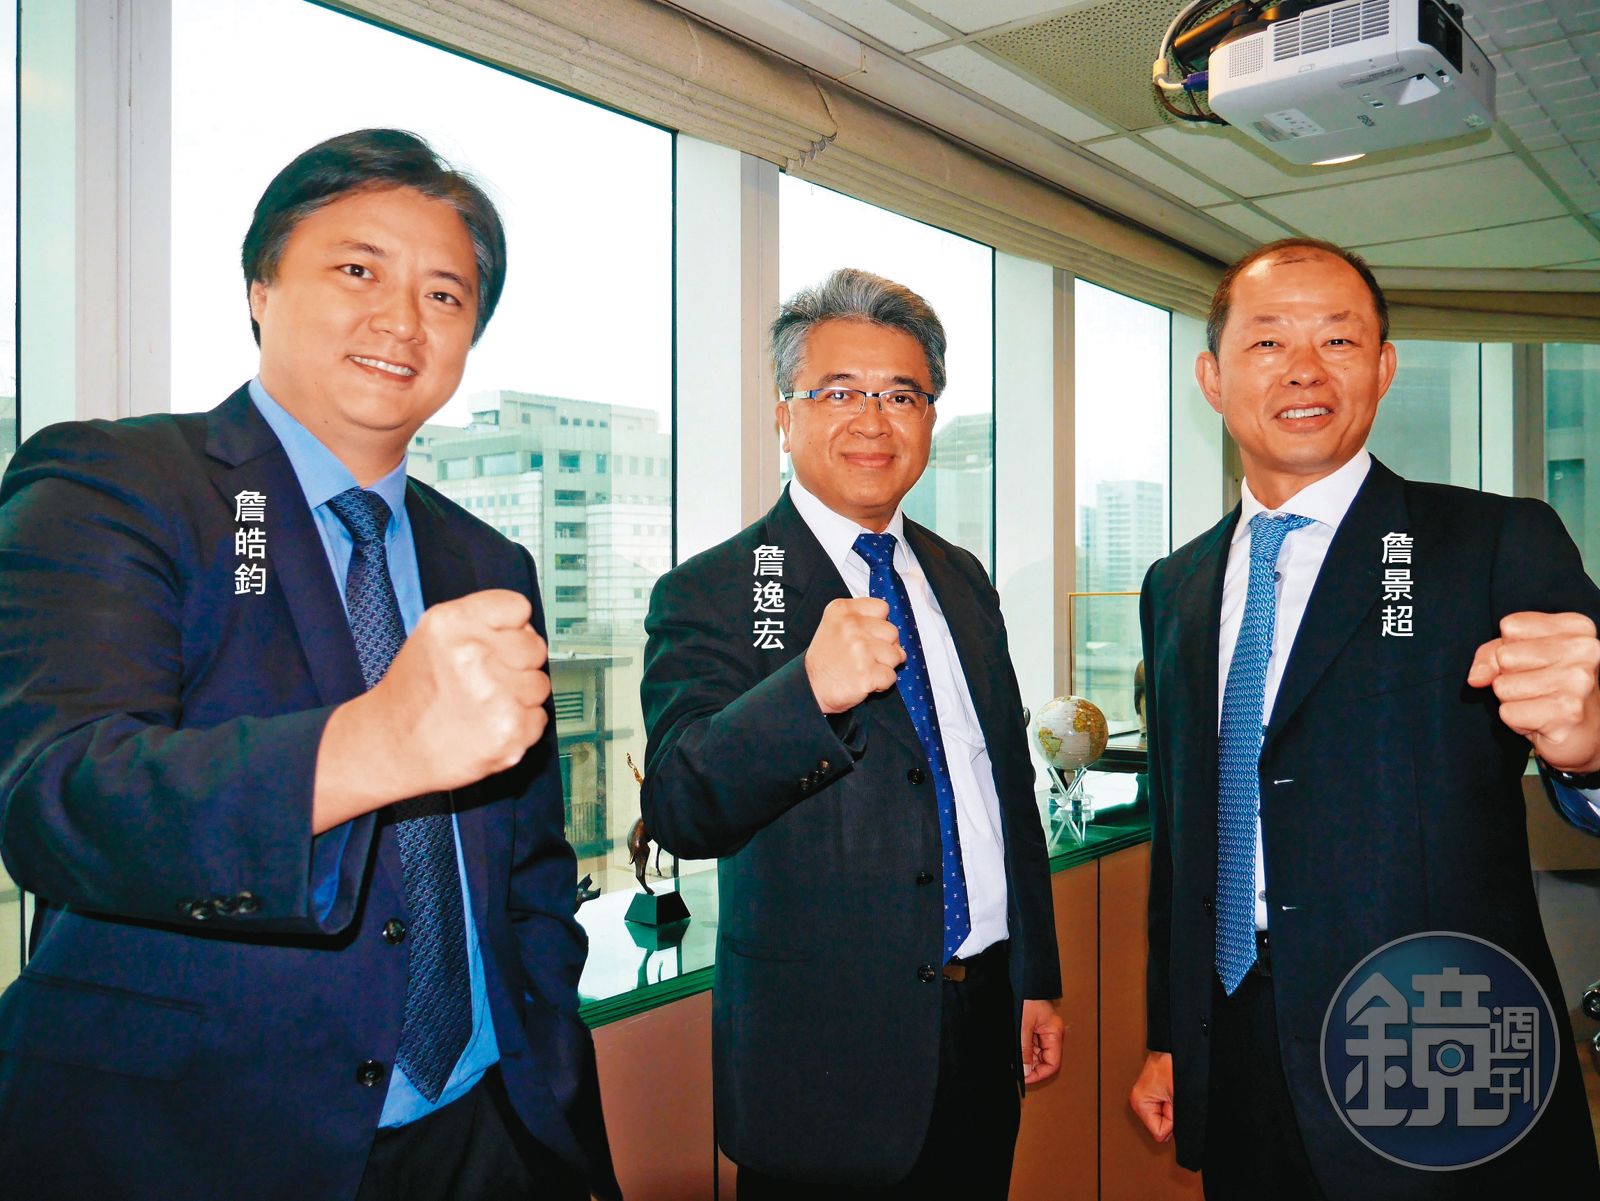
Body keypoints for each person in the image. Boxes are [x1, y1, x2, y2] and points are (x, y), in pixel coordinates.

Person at [0, 129, 619, 1201]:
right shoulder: (118, 481)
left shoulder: (488, 559)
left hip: (486, 1126)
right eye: (357, 270)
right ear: (260, 287)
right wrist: (371, 745)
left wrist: (545, 1037)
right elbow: (59, 794)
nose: (402, 319)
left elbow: (529, 860)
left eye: (444, 294)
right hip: (204, 1146)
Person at [1129, 237, 1600, 1199]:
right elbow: (1184, 834)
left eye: (1338, 340)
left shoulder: (1490, 539)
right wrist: (1173, 1034)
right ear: (1213, 378)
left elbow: (1584, 720)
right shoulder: (1174, 584)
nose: (1305, 368)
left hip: (1435, 1033)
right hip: (1240, 1039)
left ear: (1383, 368)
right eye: (1268, 342)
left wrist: (1590, 750)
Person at [639, 268, 1063, 1198]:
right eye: (838, 393)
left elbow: (1003, 788)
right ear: (784, 416)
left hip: (981, 1023)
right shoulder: (715, 588)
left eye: (901, 395)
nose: (873, 420)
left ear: (929, 419)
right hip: (822, 1060)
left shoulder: (962, 578)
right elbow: (678, 803)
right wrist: (806, 694)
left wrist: (1036, 974)